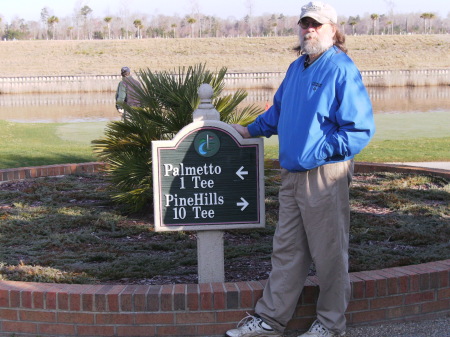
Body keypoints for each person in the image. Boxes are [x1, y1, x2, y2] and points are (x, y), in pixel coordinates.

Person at [227, 2, 375, 337]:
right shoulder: (297, 68)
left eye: (317, 24)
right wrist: (247, 131)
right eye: (305, 24)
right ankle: (271, 321)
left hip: (325, 174)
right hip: (293, 175)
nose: (309, 29)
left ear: (333, 30)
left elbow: (359, 130)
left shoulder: (341, 68)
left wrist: (316, 152)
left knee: (329, 255)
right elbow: (277, 113)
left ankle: (330, 324)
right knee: (287, 251)